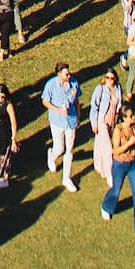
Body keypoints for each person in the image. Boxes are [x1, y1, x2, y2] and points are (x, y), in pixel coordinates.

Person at [100, 93, 135, 236]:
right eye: (130, 116)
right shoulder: (118, 130)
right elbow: (115, 151)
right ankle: (106, 206)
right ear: (124, 118)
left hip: (133, 164)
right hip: (120, 164)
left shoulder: (134, 127)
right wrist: (129, 143)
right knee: (116, 190)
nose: (133, 117)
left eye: (133, 115)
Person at [40, 63, 80, 191]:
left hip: (71, 121)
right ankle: (51, 155)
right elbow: (45, 101)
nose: (69, 75)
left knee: (70, 150)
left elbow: (77, 100)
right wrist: (58, 110)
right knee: (59, 148)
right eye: (66, 74)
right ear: (59, 74)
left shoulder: (74, 83)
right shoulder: (51, 84)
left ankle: (66, 178)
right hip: (57, 122)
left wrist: (78, 115)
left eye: (69, 73)